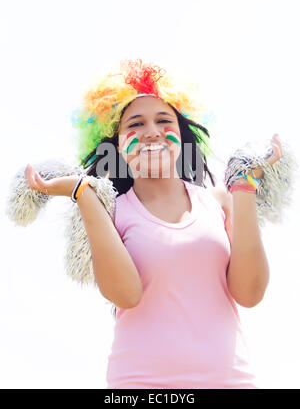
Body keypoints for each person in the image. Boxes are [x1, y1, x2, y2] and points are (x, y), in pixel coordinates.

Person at [24, 58, 284, 389]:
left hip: (232, 381)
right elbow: (126, 294)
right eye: (135, 124)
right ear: (115, 145)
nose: (152, 132)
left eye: (164, 120)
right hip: (139, 386)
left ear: (181, 134)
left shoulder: (219, 199)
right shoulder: (112, 212)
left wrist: (244, 186)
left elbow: (249, 293)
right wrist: (83, 194)